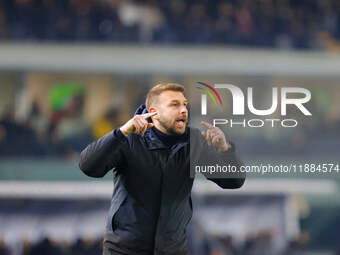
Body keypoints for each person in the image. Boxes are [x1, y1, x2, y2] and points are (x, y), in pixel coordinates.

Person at [79, 83, 245, 255]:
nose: (183, 110)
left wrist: (225, 149)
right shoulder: (129, 139)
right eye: (174, 105)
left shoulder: (194, 142)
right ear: (154, 112)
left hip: (172, 250)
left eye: (184, 104)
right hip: (124, 249)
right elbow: (88, 166)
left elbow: (233, 181)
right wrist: (120, 133)